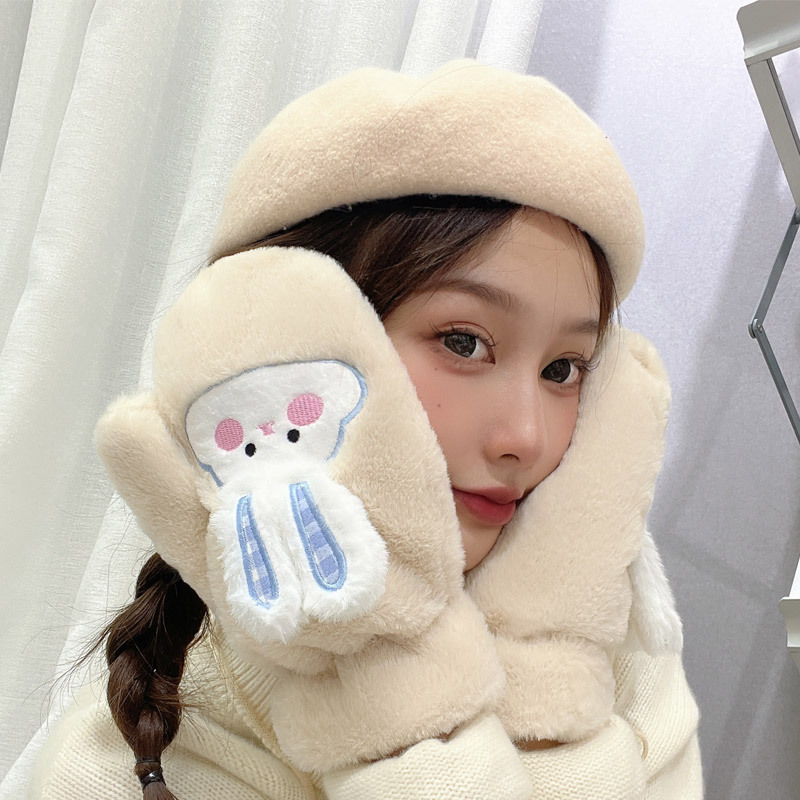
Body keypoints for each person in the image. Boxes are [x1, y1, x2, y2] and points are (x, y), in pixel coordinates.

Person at [25, 59, 702, 799]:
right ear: (280, 349)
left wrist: (545, 664)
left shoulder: (623, 659)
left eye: (564, 368)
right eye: (464, 342)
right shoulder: (128, 760)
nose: (527, 437)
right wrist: (388, 681)